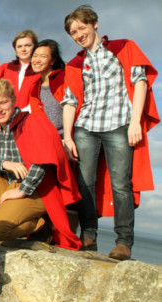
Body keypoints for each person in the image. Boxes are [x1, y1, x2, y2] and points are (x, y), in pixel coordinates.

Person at [61, 5, 158, 260]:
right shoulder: (75, 64)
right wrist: (68, 136)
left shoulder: (123, 47)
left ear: (94, 24)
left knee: (121, 185)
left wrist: (135, 122)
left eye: (82, 27)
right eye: (73, 32)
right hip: (86, 127)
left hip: (119, 124)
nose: (78, 34)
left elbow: (140, 82)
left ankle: (124, 242)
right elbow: (70, 101)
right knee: (85, 184)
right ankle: (89, 236)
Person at [0, 79, 81, 249]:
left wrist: (22, 191)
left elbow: (42, 162)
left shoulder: (33, 121)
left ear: (14, 101)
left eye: (3, 102)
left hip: (36, 190)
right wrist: (5, 164)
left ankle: (41, 226)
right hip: (7, 185)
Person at [0, 30, 39, 110]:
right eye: (19, 46)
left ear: (35, 47)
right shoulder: (5, 68)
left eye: (28, 45)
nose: (23, 49)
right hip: (6, 117)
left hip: (32, 116)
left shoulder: (40, 70)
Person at [29, 39, 66, 136]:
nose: (37, 60)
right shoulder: (35, 87)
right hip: (46, 141)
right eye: (35, 56)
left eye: (43, 56)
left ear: (53, 60)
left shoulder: (63, 79)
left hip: (66, 140)